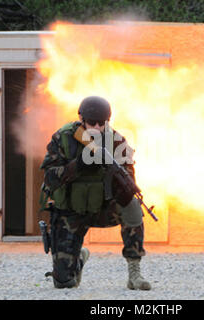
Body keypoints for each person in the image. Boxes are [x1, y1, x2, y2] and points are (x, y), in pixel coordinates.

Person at [39, 96, 151, 290]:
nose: (97, 128)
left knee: (132, 205)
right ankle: (78, 258)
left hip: (102, 208)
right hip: (70, 212)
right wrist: (79, 164)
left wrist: (116, 177)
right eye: (92, 123)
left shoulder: (116, 141)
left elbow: (129, 181)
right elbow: (49, 178)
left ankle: (135, 273)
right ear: (81, 119)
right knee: (64, 282)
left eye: (102, 123)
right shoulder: (63, 138)